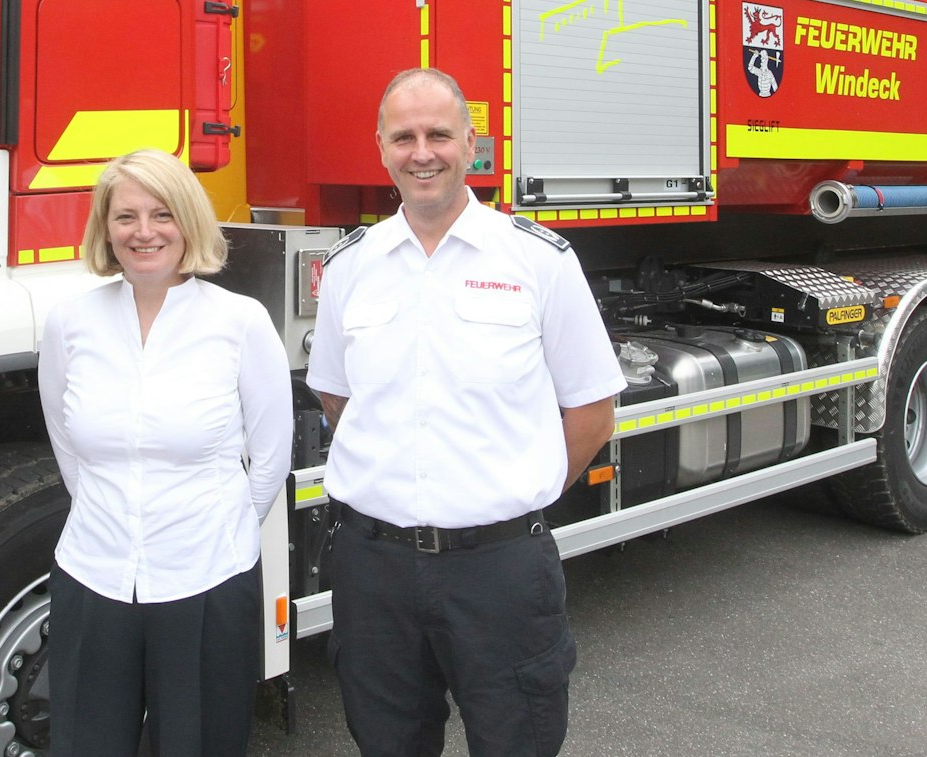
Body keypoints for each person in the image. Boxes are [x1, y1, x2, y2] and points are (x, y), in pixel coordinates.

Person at [306, 67, 626, 757]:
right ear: (381, 148)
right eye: (405, 136)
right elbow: (339, 398)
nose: (423, 151)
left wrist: (511, 489)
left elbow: (593, 410)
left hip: (501, 569)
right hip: (375, 570)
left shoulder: (537, 260)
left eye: (439, 134)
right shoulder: (349, 269)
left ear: (471, 142)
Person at [38, 149, 294, 756]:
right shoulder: (70, 322)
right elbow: (67, 445)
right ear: (105, 227)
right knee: (87, 743)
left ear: (188, 222)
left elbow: (270, 456)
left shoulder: (240, 322)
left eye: (161, 214)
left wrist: (215, 528)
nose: (144, 232)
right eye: (125, 217)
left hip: (205, 575)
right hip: (93, 574)